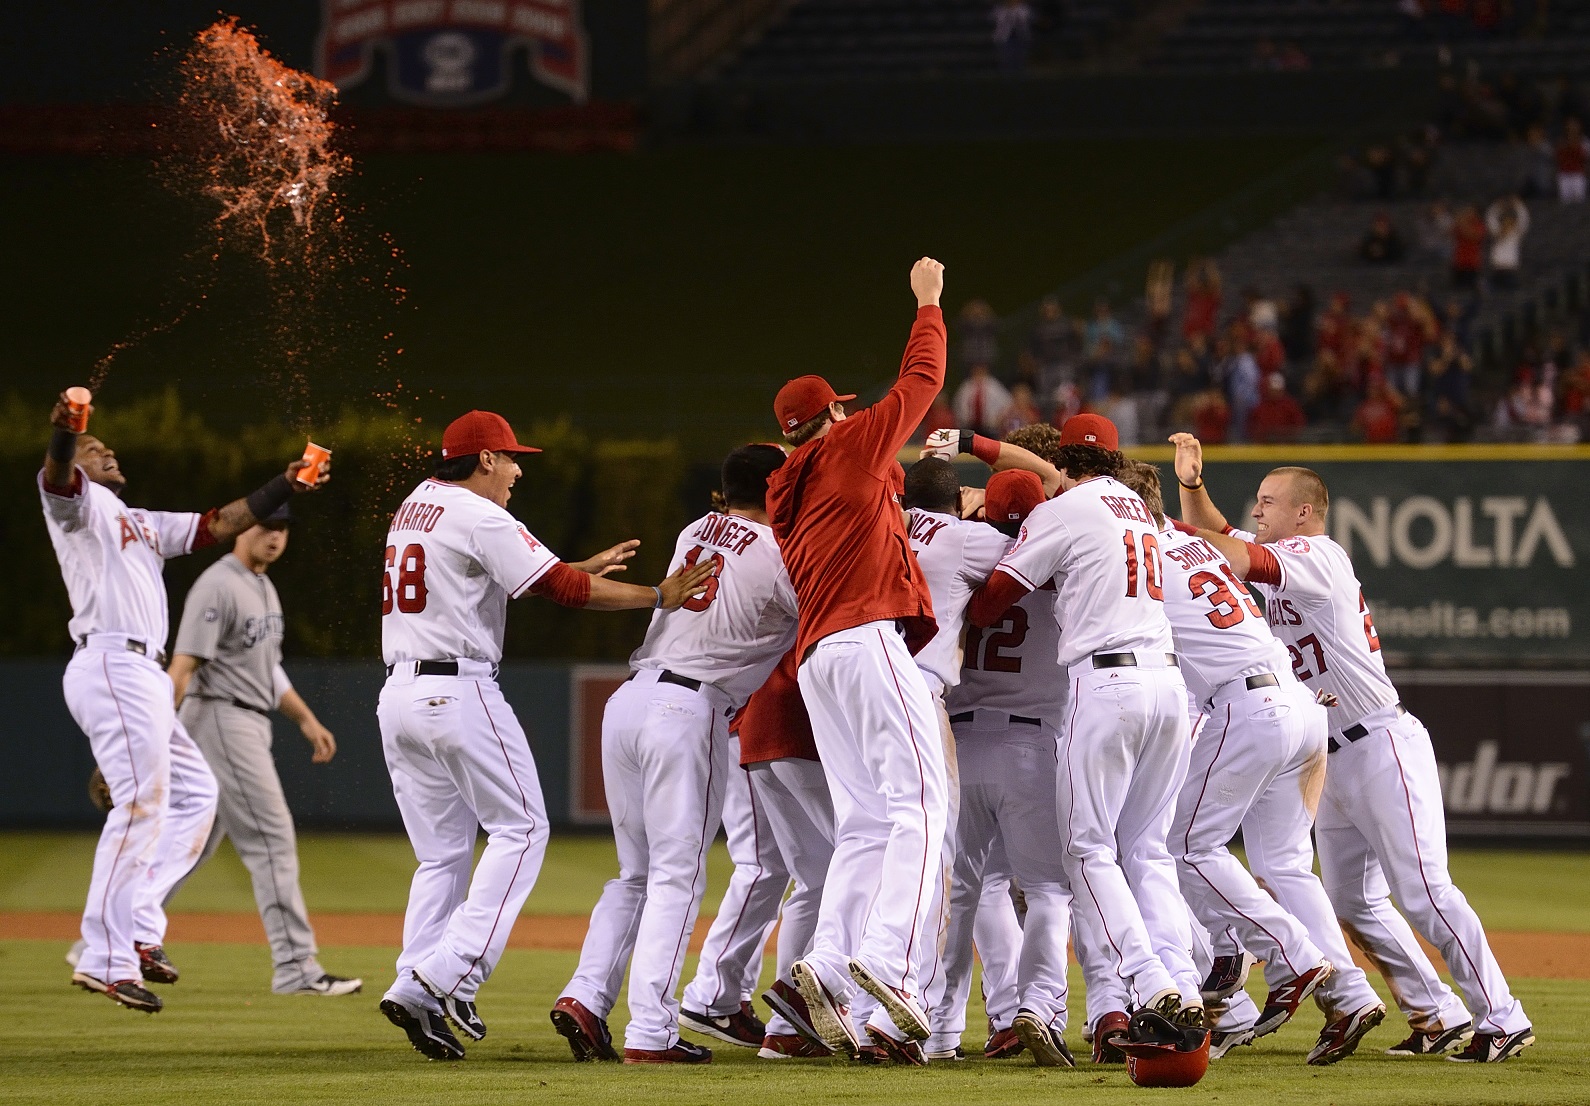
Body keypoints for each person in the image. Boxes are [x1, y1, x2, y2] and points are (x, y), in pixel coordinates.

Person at [1168, 435, 1536, 1064]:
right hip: (1330, 755)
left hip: (1379, 741)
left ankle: (1502, 1016)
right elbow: (1226, 541)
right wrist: (1192, 490)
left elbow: (1230, 552)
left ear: (1303, 513)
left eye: (1268, 502)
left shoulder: (1317, 554)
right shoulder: (1285, 554)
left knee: (1425, 889)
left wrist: (1151, 522)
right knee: (1353, 901)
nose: (1257, 512)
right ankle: (1435, 1012)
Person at [377, 410, 712, 1061]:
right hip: (458, 689)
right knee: (523, 828)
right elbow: (562, 591)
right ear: (481, 461)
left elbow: (492, 576)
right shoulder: (479, 514)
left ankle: (413, 982)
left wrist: (579, 565)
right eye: (508, 457)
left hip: (398, 695)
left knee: (442, 855)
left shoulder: (415, 504)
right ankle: (447, 975)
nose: (517, 469)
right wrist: (656, 594)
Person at [41, 388, 327, 1013]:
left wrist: (283, 483)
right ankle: (104, 957)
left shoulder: (138, 522)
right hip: (112, 660)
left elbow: (219, 524)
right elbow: (57, 471)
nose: (105, 450)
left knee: (198, 794)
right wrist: (67, 432)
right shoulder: (76, 508)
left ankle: (138, 925)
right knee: (142, 805)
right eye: (96, 447)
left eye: (103, 444)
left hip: (142, 670)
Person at [1115, 460, 1387, 1066]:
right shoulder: (1192, 545)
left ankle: (1280, 954)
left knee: (1182, 844)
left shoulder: (1137, 558)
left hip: (1249, 705)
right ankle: (1347, 991)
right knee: (1286, 866)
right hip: (1299, 704)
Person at [555, 444, 799, 1065]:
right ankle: (652, 1032)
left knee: (633, 874)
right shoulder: (776, 554)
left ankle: (586, 995)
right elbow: (819, 615)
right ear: (775, 488)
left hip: (629, 700)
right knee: (677, 877)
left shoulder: (696, 528)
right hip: (689, 709)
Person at [964, 414, 1204, 1038]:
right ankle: (1183, 986)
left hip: (1108, 685)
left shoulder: (1062, 510)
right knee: (1147, 852)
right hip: (1170, 685)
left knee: (1089, 850)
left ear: (1063, 464)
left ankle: (1150, 981)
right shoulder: (1138, 508)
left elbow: (993, 601)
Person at [765, 257, 949, 1062]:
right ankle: (891, 969)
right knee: (921, 809)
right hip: (866, 639)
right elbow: (922, 380)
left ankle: (825, 969)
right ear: (836, 411)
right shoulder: (850, 448)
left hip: (817, 660)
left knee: (867, 823)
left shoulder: (786, 485)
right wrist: (928, 305)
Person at [164, 502, 360, 996]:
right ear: (242, 528)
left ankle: (105, 938)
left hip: (246, 718)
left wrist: (306, 718)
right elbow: (183, 667)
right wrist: (155, 734)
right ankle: (296, 968)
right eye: (266, 527)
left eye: (283, 530)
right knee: (271, 838)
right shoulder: (218, 583)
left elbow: (267, 671)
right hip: (219, 716)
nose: (275, 537)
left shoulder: (263, 586)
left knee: (191, 844)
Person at [953, 363, 1013, 437]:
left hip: (990, 428)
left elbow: (1007, 403)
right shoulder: (966, 387)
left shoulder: (994, 386)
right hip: (969, 427)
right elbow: (957, 405)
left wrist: (999, 419)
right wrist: (962, 420)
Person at [1485, 193, 1530, 289]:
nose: (1507, 224)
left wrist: (1519, 205)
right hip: (1497, 268)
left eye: (1509, 222)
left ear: (1513, 223)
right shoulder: (1496, 234)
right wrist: (1496, 206)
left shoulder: (1516, 235)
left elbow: (1524, 220)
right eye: (1505, 222)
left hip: (1510, 269)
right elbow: (1490, 219)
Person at [1556, 116, 1588, 203]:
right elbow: (1557, 158)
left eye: (1574, 125)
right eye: (1570, 125)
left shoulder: (1584, 141)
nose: (1572, 127)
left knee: (1579, 202)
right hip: (1564, 175)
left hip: (1578, 175)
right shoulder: (1561, 142)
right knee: (1565, 202)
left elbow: (1586, 159)